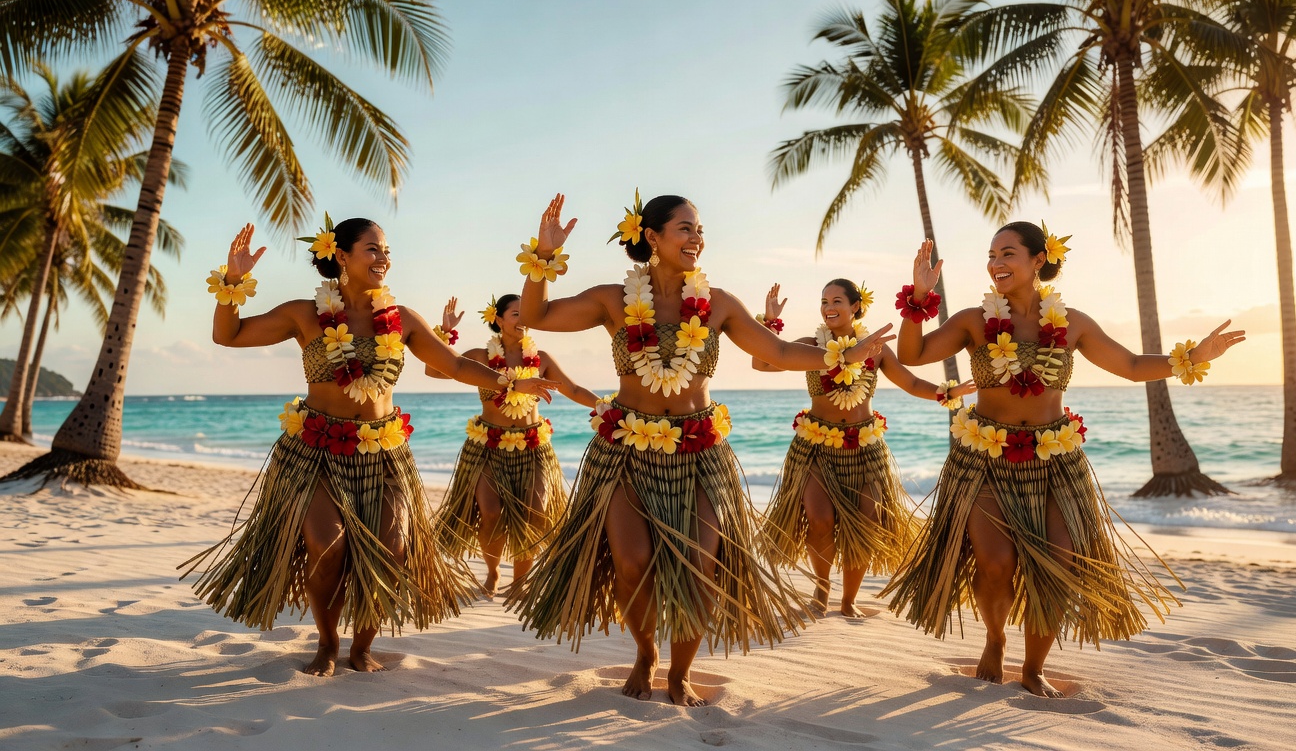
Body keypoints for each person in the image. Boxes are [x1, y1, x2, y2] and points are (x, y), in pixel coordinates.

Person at [506, 193, 894, 706]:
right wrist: (544, 259)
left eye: (700, 229)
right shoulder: (613, 300)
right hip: (626, 451)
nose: (697, 238)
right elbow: (538, 315)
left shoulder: (718, 304)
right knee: (631, 562)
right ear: (652, 237)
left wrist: (843, 353)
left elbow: (776, 351)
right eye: (685, 228)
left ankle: (680, 673)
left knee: (699, 564)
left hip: (698, 454)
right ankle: (646, 653)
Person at [181, 220, 558, 677]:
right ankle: (327, 642)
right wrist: (233, 281)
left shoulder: (401, 319)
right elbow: (230, 335)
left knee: (393, 548)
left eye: (386, 250)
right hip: (316, 450)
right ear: (340, 255)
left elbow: (456, 364)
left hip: (382, 454)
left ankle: (362, 646)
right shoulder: (305, 313)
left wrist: (512, 381)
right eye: (371, 249)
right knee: (325, 545)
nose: (383, 258)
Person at [882, 223, 1244, 697]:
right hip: (985, 460)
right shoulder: (974, 319)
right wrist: (918, 298)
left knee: (1062, 562)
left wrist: (1197, 354)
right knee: (994, 562)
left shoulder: (1072, 322)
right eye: (991, 255)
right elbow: (914, 353)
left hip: (1056, 463)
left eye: (1007, 253)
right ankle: (994, 640)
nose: (996, 263)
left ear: (1038, 260)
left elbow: (1132, 366)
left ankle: (1033, 667)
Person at [751, 279, 974, 617]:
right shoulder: (812, 346)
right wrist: (768, 324)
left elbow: (911, 382)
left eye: (837, 300)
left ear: (855, 306)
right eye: (823, 300)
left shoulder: (876, 349)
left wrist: (948, 393)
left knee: (865, 524)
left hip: (865, 449)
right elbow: (763, 364)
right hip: (815, 447)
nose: (828, 307)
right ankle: (822, 591)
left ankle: (848, 600)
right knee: (819, 519)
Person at [429, 293, 599, 596]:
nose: (524, 320)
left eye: (527, 314)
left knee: (535, 510)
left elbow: (571, 388)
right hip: (488, 447)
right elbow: (434, 371)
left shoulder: (541, 358)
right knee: (491, 512)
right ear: (498, 319)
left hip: (533, 448)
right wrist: (445, 333)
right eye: (517, 314)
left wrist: (605, 407)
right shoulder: (480, 357)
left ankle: (520, 582)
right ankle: (493, 573)